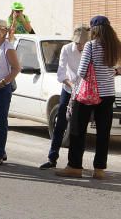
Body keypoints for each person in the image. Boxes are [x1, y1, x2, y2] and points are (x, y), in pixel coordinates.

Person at [57, 16, 121, 180]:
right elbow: (117, 69)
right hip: (108, 94)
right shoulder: (115, 46)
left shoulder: (91, 46)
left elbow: (82, 71)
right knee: (103, 132)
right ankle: (99, 169)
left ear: (94, 29)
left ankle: (75, 166)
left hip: (87, 94)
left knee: (77, 129)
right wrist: (109, 73)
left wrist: (75, 88)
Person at [40, 24, 89, 170]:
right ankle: (52, 158)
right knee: (60, 123)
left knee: (79, 126)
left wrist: (80, 88)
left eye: (83, 43)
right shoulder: (67, 49)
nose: (80, 45)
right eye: (77, 42)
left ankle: (74, 163)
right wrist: (71, 85)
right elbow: (61, 74)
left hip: (84, 92)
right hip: (68, 89)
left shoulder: (90, 50)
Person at [0, 18, 20, 166]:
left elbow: (16, 68)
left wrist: (5, 81)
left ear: (2, 32)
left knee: (0, 121)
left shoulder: (8, 47)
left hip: (2, 89)